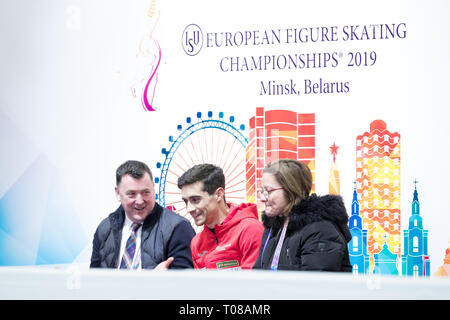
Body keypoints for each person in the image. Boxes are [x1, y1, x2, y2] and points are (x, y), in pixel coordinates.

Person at [90, 160, 195, 270]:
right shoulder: (105, 228)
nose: (140, 201)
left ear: (154, 189)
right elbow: (93, 280)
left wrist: (161, 281)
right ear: (118, 193)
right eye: (132, 194)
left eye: (145, 192)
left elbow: (185, 283)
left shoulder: (178, 228)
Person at [253, 159, 352, 271]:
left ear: (291, 191)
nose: (262, 198)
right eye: (262, 191)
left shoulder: (320, 231)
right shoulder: (274, 227)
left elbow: (315, 285)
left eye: (269, 191)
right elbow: (259, 275)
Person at [177, 163, 264, 270]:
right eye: (186, 201)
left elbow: (256, 284)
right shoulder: (196, 242)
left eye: (195, 200)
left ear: (219, 194)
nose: (189, 209)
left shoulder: (250, 230)